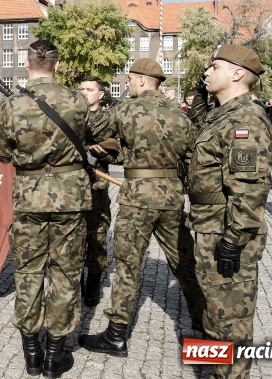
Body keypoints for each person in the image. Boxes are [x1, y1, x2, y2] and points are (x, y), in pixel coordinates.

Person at [82, 59, 204, 358]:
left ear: (139, 80)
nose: (127, 84)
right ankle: (205, 323)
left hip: (138, 196)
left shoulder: (125, 109)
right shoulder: (180, 114)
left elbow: (94, 128)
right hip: (172, 195)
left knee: (128, 264)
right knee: (185, 262)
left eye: (129, 79)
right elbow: (191, 157)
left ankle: (116, 335)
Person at [0, 40, 90, 378]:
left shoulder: (11, 105)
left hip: (29, 197)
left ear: (26, 63)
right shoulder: (77, 100)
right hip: (70, 198)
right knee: (65, 273)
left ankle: (32, 354)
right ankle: (55, 355)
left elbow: (0, 152)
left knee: (29, 271)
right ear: (57, 65)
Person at [187, 45, 272, 379]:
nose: (207, 72)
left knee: (230, 322)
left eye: (214, 67)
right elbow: (199, 118)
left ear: (237, 74)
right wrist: (201, 87)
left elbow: (249, 188)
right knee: (214, 314)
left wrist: (234, 240)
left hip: (226, 233)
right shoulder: (222, 114)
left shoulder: (245, 121)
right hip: (210, 228)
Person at [78, 76, 118, 308]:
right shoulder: (72, 115)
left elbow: (117, 149)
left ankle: (93, 280)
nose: (84, 92)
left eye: (90, 89)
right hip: (74, 185)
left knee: (96, 235)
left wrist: (105, 153)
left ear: (101, 94)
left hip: (97, 186)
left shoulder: (108, 119)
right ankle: (77, 281)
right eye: (81, 88)